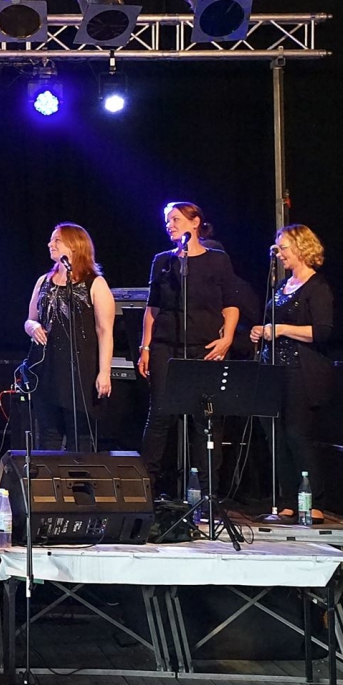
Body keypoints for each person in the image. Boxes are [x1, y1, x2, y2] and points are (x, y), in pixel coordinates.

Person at [138, 202, 242, 493]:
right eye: (167, 220)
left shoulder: (217, 260)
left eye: (175, 219)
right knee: (160, 413)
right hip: (166, 347)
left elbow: (231, 304)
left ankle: (207, 493)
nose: (169, 225)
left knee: (206, 417)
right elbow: (152, 308)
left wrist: (227, 338)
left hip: (205, 347)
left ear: (195, 222)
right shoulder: (162, 261)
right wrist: (145, 347)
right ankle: (147, 489)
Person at [250, 225, 335, 523]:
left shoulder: (316, 287)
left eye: (283, 248)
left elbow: (322, 332)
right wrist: (262, 331)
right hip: (272, 369)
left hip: (300, 370)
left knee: (297, 434)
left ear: (301, 248)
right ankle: (288, 500)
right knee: (274, 435)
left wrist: (282, 329)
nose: (279, 254)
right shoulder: (282, 286)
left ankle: (313, 501)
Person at [22, 224, 116, 453]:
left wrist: (104, 372)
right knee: (48, 435)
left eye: (56, 240)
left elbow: (105, 331)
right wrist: (33, 327)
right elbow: (29, 320)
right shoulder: (43, 281)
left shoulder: (95, 283)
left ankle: (81, 477)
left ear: (74, 246)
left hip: (80, 370)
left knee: (80, 436)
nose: (50, 244)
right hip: (46, 368)